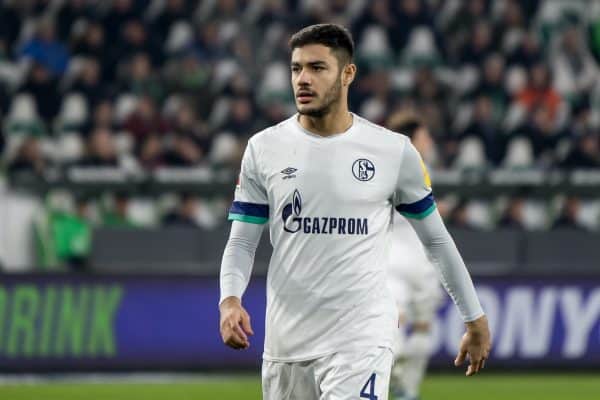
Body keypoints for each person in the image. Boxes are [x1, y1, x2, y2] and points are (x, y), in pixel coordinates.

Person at [219, 24, 491, 400]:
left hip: (360, 339)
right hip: (285, 345)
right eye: (297, 68)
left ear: (348, 73)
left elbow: (437, 241)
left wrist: (473, 317)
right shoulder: (264, 149)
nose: (303, 79)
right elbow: (242, 243)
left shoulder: (392, 152)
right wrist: (230, 299)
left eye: (317, 68)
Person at [385, 111, 443, 400]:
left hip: (420, 261)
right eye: (425, 135)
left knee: (421, 334)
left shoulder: (424, 169)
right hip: (397, 260)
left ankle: (405, 389)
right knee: (396, 331)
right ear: (413, 139)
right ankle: (393, 379)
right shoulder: (391, 168)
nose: (430, 140)